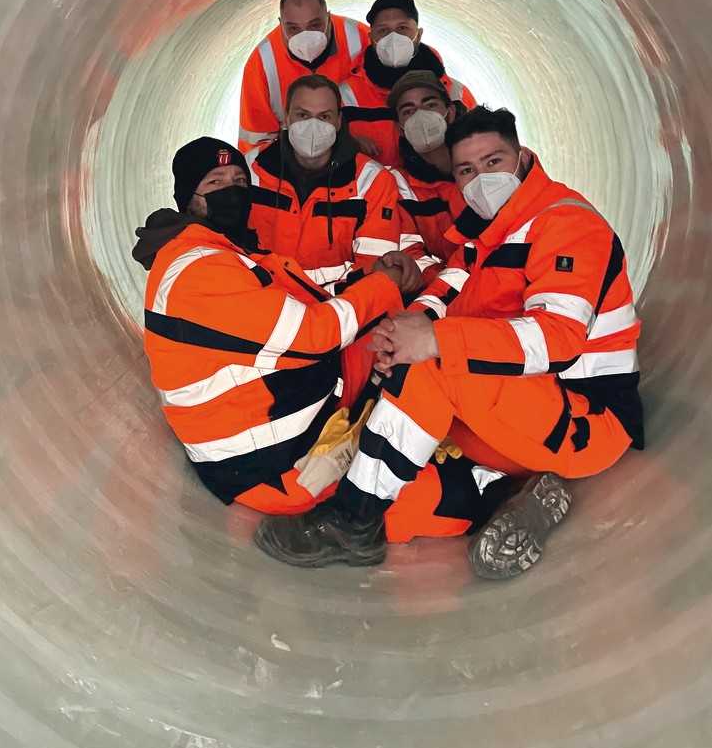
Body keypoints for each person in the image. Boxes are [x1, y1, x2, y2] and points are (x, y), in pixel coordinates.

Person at [254, 107, 643, 576]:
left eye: (493, 162)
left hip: (581, 419)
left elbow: (557, 339)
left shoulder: (565, 223)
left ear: (520, 159)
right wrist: (397, 338)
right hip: (513, 417)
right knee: (398, 491)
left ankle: (352, 522)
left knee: (434, 364)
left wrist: (432, 341)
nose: (481, 178)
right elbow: (442, 295)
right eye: (466, 170)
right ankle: (499, 493)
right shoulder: (484, 239)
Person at [132, 136, 420, 518]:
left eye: (238, 180)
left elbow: (294, 303)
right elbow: (314, 336)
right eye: (214, 183)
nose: (231, 192)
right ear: (187, 198)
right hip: (273, 466)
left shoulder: (221, 252)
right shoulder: (200, 269)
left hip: (269, 433)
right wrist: (384, 287)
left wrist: (369, 285)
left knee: (392, 348)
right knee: (431, 470)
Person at [246, 73, 424, 296]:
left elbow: (373, 271)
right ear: (287, 119)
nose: (313, 126)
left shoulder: (372, 182)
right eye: (303, 115)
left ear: (339, 121)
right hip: (259, 299)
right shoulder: (251, 168)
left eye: (324, 117)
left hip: (335, 307)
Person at [340, 0, 476, 166]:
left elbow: (479, 147)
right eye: (383, 31)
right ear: (371, 38)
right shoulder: (345, 95)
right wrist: (347, 143)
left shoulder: (455, 93)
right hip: (376, 191)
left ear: (418, 35)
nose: (393, 37)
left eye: (402, 28)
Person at [238, 0, 370, 153]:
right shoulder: (262, 63)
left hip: (360, 149)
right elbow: (256, 141)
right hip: (293, 159)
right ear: (281, 23)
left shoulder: (359, 38)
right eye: (293, 28)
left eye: (315, 25)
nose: (305, 36)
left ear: (328, 17)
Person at [387, 70, 466, 272]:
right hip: (453, 290)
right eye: (408, 111)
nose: (420, 116)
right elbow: (412, 254)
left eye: (430, 105)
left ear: (451, 112)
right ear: (400, 128)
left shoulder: (489, 159)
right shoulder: (400, 185)